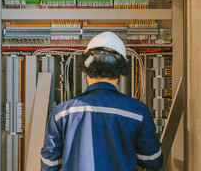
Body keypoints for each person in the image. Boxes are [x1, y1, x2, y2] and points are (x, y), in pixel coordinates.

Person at [40, 32, 163, 171]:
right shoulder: (138, 112)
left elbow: (49, 165)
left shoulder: (62, 113)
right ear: (120, 73)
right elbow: (153, 161)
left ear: (85, 70)